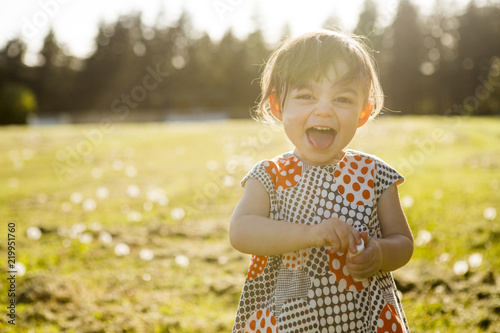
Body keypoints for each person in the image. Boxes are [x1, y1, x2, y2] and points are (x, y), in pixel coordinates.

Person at [229, 30, 414, 333]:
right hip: (285, 321)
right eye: (306, 96)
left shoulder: (376, 175)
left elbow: (403, 243)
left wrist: (379, 252)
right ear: (278, 107)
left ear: (363, 111)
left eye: (342, 98)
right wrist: (312, 234)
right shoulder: (268, 177)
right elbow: (241, 231)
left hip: (363, 320)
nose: (324, 109)